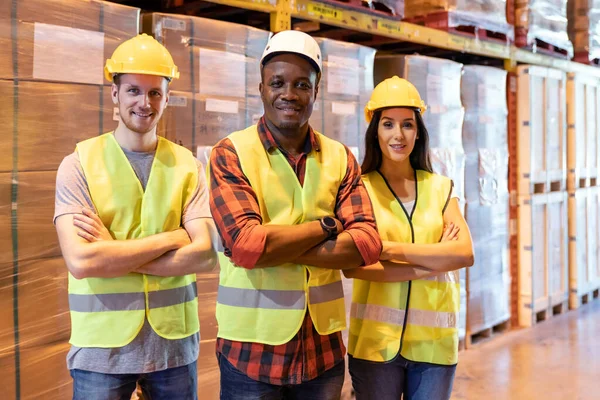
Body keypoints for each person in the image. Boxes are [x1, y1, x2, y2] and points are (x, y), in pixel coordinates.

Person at [207, 30, 382, 400]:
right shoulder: (231, 153)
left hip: (322, 355)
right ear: (261, 89)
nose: (289, 93)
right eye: (278, 82)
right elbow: (246, 246)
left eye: (302, 84)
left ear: (316, 92)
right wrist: (328, 226)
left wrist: (271, 246)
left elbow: (367, 243)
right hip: (251, 357)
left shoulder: (339, 157)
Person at [54, 34, 218, 400]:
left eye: (155, 93)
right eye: (133, 91)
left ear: (167, 97)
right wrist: (174, 238)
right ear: (114, 94)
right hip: (101, 353)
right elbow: (81, 261)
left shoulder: (188, 166)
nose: (144, 103)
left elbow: (206, 255)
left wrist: (113, 253)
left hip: (173, 349)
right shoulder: (79, 164)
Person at [343, 76, 475, 400]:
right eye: (388, 124)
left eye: (407, 125)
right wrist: (433, 259)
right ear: (375, 130)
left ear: (419, 131)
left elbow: (464, 253)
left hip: (434, 348)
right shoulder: (360, 189)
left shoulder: (441, 187)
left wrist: (387, 250)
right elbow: (354, 266)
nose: (398, 135)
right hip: (375, 346)